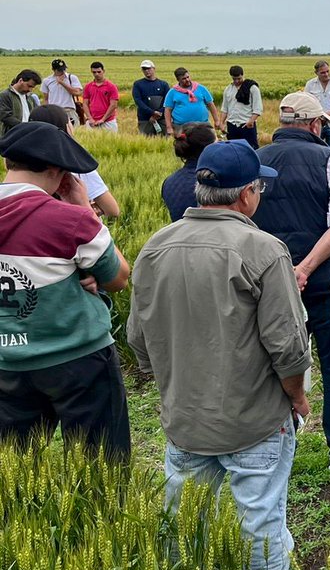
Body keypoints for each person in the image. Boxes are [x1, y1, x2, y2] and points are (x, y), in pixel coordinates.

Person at [127, 140, 310, 570]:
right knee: (260, 521)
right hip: (253, 420)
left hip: (185, 419)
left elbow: (137, 338)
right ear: (247, 193)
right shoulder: (264, 250)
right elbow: (287, 346)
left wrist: (168, 381)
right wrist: (297, 397)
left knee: (185, 518)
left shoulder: (154, 247)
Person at [256, 92, 330, 475]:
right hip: (324, 285)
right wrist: (304, 268)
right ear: (315, 124)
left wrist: (282, 271)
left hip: (265, 287)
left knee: (270, 365)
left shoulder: (254, 161)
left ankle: (273, 449)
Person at [0, 121, 131, 458]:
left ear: (7, 164)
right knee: (101, 464)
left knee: (14, 465)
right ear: (59, 171)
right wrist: (83, 207)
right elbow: (118, 277)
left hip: (7, 361)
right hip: (78, 359)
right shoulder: (71, 219)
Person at [29, 106, 120, 220]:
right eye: (70, 122)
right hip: (81, 230)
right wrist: (89, 208)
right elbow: (112, 210)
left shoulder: (23, 165)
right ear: (67, 128)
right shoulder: (78, 163)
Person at [161, 123, 217, 222]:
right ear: (208, 149)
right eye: (217, 143)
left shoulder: (168, 181)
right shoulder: (212, 181)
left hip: (178, 235)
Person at [163, 67, 219, 137]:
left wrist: (216, 120)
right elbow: (168, 110)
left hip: (203, 125)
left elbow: (211, 104)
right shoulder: (172, 92)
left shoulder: (201, 88)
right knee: (184, 146)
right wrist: (169, 127)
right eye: (184, 79)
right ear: (178, 80)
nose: (187, 80)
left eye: (188, 77)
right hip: (181, 127)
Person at [219, 65, 263, 148]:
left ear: (243, 75)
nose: (236, 81)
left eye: (239, 78)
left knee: (251, 149)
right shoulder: (228, 89)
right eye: (234, 79)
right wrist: (221, 123)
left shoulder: (252, 88)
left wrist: (251, 120)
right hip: (232, 125)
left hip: (246, 124)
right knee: (233, 150)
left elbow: (258, 108)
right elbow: (224, 108)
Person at [40, 58, 84, 125]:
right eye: (59, 70)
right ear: (53, 70)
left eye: (63, 69)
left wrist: (62, 83)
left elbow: (77, 92)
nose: (62, 72)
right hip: (54, 111)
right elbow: (46, 99)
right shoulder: (47, 81)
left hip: (69, 110)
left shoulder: (71, 78)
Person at [132, 61, 170, 136]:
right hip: (145, 119)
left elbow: (167, 101)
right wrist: (152, 112)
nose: (146, 71)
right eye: (144, 69)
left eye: (148, 68)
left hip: (161, 118)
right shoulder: (138, 84)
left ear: (154, 69)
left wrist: (158, 114)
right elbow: (138, 101)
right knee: (146, 140)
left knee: (164, 139)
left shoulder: (163, 84)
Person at [82, 62, 120, 132]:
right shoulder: (88, 86)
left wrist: (103, 119)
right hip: (92, 122)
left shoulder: (111, 87)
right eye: (94, 72)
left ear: (103, 71)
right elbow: (85, 104)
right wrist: (90, 118)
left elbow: (113, 105)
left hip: (108, 122)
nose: (96, 74)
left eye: (99, 72)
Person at [0, 70, 41, 135]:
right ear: (20, 80)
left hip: (27, 134)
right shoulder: (5, 95)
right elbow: (5, 116)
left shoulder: (30, 98)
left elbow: (36, 114)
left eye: (32, 87)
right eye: (29, 86)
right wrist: (23, 127)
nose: (30, 90)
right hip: (11, 136)